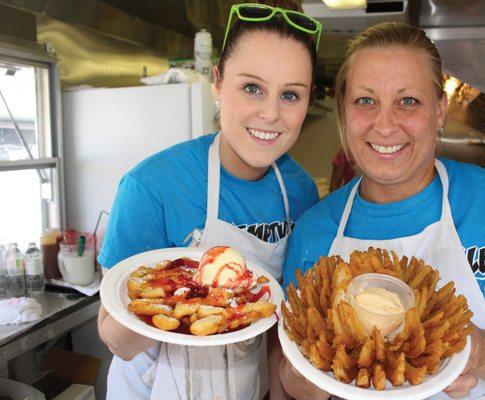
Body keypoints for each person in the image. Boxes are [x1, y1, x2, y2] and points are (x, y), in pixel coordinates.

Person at [280, 22, 485, 400]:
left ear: (440, 111)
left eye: (408, 101)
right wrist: (309, 375)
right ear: (344, 116)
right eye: (365, 100)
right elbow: (291, 380)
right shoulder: (313, 231)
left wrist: (479, 352)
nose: (384, 125)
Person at [96, 2, 322, 399]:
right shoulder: (153, 185)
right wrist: (177, 290)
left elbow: (277, 324)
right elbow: (116, 341)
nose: (270, 113)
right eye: (252, 87)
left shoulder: (301, 192)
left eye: (290, 95)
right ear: (217, 82)